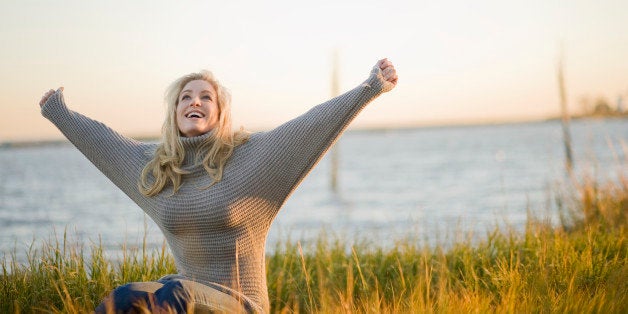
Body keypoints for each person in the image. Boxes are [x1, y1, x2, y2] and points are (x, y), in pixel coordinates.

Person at [39, 58, 398, 313]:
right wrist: (58, 111)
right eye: (185, 97)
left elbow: (310, 126)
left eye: (205, 96)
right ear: (175, 113)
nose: (194, 100)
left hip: (240, 304)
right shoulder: (157, 170)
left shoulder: (250, 159)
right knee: (119, 301)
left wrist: (370, 87)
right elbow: (104, 143)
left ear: (219, 112)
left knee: (165, 298)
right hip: (179, 294)